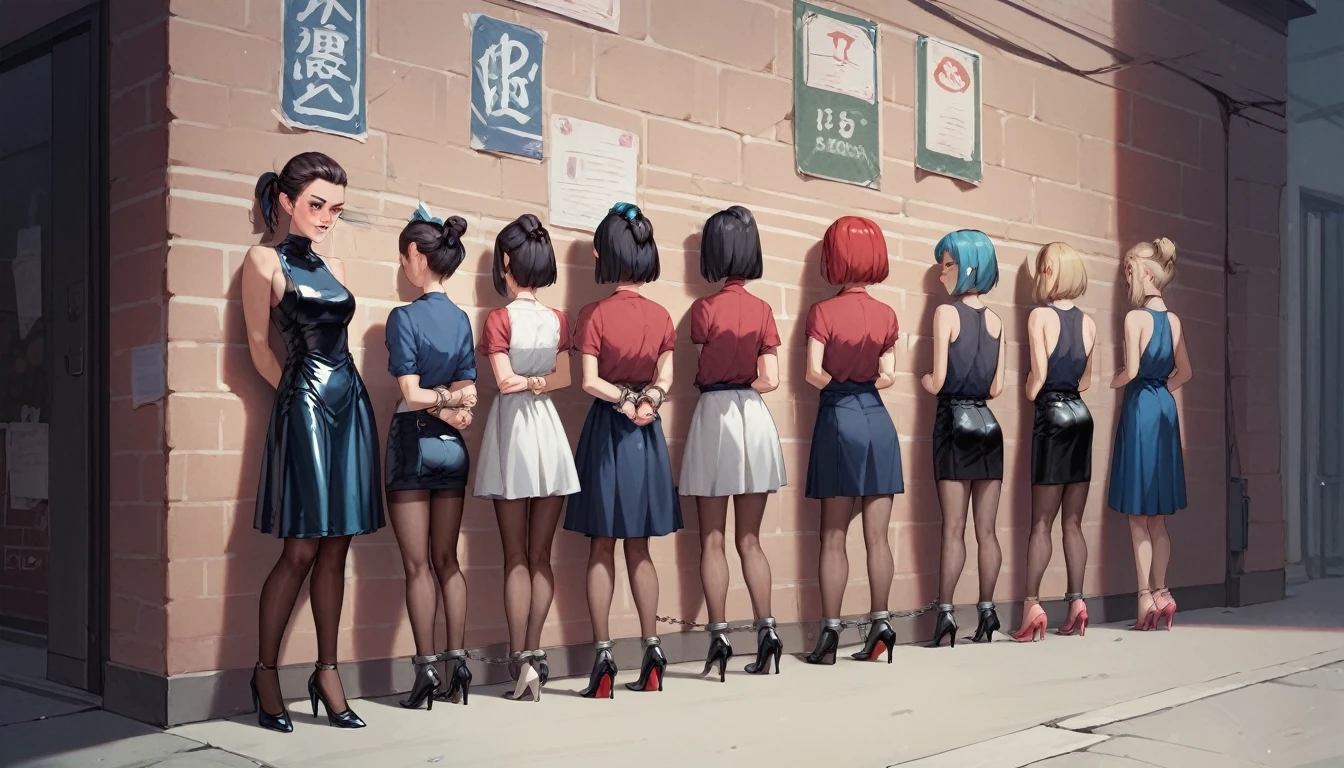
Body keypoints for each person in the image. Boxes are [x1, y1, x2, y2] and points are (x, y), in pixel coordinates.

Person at [243, 152, 383, 732]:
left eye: (336, 209)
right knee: (300, 547)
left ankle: (327, 671)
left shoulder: (337, 264)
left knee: (337, 546)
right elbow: (258, 348)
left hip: (351, 403)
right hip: (303, 402)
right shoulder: (260, 260)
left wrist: (335, 398)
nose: (327, 217)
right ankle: (265, 673)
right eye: (317, 204)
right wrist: (299, 399)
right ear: (286, 201)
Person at [564, 203, 682, 697]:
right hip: (647, 434)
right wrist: (649, 400)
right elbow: (667, 377)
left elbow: (589, 382)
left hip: (608, 434)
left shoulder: (593, 314)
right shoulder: (661, 315)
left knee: (600, 546)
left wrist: (626, 400)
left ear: (604, 253)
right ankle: (653, 651)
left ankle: (604, 660)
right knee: (642, 548)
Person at [474, 214, 579, 702]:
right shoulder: (557, 319)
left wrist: (526, 379)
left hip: (514, 430)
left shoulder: (498, 318)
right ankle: (534, 653)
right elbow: (562, 378)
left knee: (514, 555)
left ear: (507, 262)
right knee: (542, 555)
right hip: (548, 429)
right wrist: (541, 381)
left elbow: (503, 381)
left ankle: (522, 661)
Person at [681, 206, 787, 680]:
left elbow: (701, 370)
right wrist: (746, 381)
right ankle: (768, 633)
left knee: (712, 537)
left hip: (714, 417)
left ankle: (719, 638)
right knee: (752, 539)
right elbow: (773, 379)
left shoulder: (703, 310)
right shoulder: (763, 310)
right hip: (753, 418)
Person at [384, 205, 478, 710]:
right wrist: (458, 409)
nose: (403, 265)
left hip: (412, 444)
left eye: (404, 256)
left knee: (417, 566)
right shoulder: (461, 319)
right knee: (448, 562)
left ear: (418, 256)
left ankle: (424, 673)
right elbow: (469, 391)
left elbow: (413, 393)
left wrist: (439, 402)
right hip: (453, 451)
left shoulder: (403, 318)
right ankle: (458, 664)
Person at [801, 216, 903, 666]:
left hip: (838, 418)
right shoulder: (887, 315)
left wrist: (838, 383)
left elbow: (812, 373)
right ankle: (882, 625)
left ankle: (829, 636)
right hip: (879, 424)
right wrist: (864, 383)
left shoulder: (822, 312)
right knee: (878, 538)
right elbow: (890, 375)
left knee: (833, 535)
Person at [923, 229, 1008, 648]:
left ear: (969, 265)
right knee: (987, 532)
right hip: (989, 425)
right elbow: (997, 389)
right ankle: (989, 613)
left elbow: (938, 380)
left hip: (954, 422)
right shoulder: (996, 321)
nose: (941, 273)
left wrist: (923, 379)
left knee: (953, 528)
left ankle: (946, 616)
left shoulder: (945, 314)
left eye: (948, 264)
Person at [1013, 242, 1097, 642]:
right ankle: (1078, 604)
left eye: (1046, 269)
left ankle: (1032, 605)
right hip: (1082, 416)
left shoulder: (1039, 317)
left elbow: (1038, 378)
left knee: (1041, 522)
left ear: (1057, 273)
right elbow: (1085, 381)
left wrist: (1030, 389)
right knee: (1074, 522)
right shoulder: (1089, 323)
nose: (1041, 276)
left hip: (1052, 416)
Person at [1109, 237, 1190, 631]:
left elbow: (1134, 370)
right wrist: (1164, 390)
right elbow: (1185, 373)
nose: (1127, 279)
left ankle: (1144, 599)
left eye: (1128, 271)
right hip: (1164, 408)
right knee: (1158, 517)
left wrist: (1115, 381)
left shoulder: (1134, 319)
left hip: (1141, 406)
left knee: (1137, 516)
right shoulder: (1173, 321)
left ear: (1144, 272)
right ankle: (1165, 593)